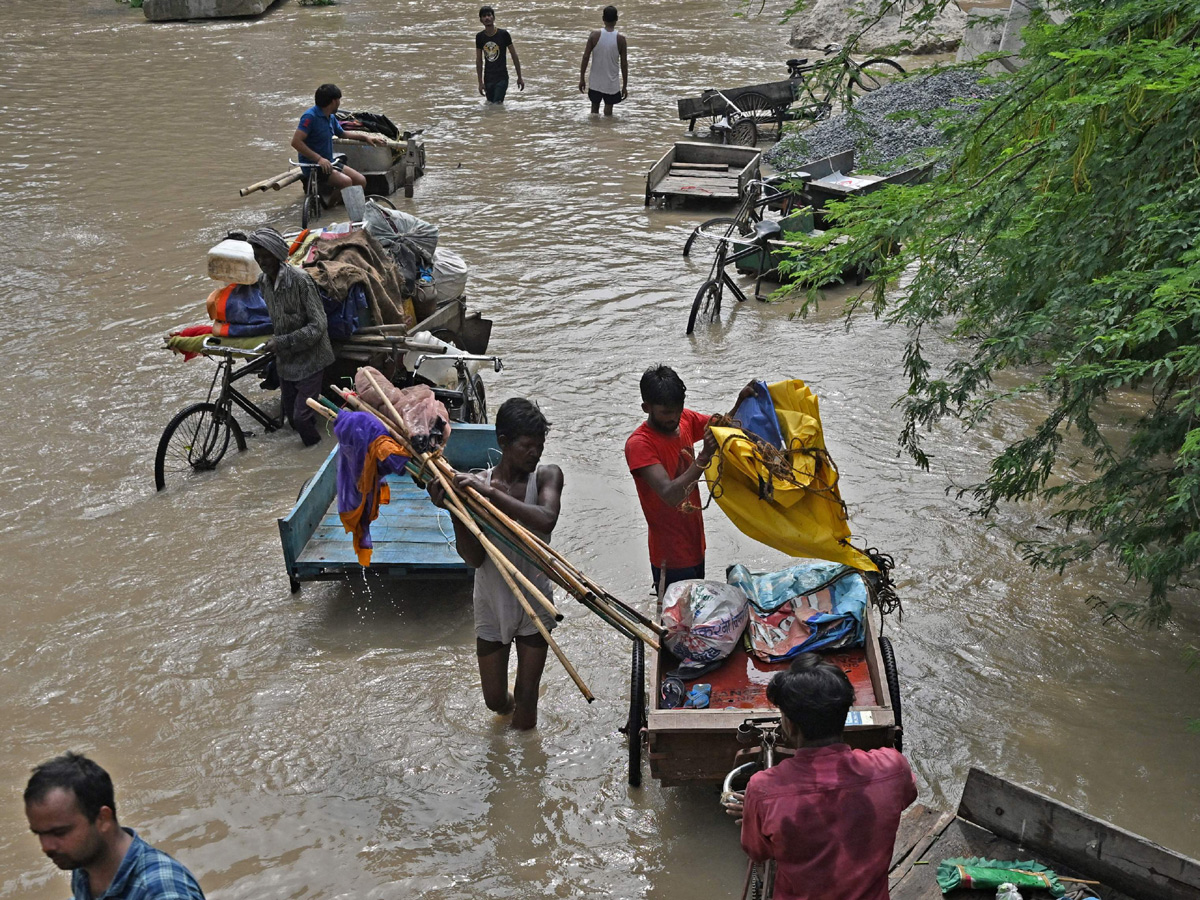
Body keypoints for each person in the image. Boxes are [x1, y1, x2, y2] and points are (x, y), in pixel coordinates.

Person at [724, 654, 917, 900]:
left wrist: (759, 813)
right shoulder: (893, 767)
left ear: (790, 725)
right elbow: (907, 796)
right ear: (844, 714)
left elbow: (757, 851)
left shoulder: (763, 789)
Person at [429, 398, 563, 730]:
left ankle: (526, 774)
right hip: (491, 599)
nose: (536, 453)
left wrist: (489, 495)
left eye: (540, 446)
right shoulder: (475, 485)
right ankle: (509, 724)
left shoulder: (546, 476)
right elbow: (474, 558)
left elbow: (545, 519)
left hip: (534, 597)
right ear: (503, 442)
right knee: (495, 701)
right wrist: (452, 508)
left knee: (527, 694)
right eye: (527, 446)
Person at [624, 365, 755, 592]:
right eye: (666, 412)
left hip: (695, 545)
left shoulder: (684, 419)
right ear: (646, 408)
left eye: (678, 409)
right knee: (676, 623)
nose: (674, 417)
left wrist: (739, 403)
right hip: (669, 556)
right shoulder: (640, 445)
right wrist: (704, 456)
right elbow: (670, 494)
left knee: (694, 616)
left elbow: (722, 429)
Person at [24, 752, 205, 900]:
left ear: (102, 818)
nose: (46, 847)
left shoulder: (162, 891)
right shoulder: (83, 865)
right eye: (39, 834)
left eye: (59, 832)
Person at [248, 227, 335, 447]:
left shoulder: (300, 281)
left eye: (266, 256)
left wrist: (283, 341)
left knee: (301, 418)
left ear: (277, 255)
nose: (262, 261)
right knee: (290, 415)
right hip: (286, 361)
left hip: (312, 357)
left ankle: (315, 453)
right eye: (258, 257)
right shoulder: (263, 282)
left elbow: (318, 325)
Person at [290, 83, 387, 193]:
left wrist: (365, 137)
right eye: (339, 100)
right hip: (313, 165)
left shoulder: (330, 117)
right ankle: (341, 204)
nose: (339, 104)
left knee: (361, 181)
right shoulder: (310, 117)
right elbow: (296, 142)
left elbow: (343, 134)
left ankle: (332, 204)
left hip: (330, 162)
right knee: (346, 183)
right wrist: (319, 159)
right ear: (334, 101)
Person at [579, 5, 628, 115]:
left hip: (595, 81)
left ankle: (595, 130)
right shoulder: (621, 39)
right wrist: (624, 86)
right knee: (608, 112)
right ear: (617, 19)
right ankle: (607, 130)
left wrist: (582, 78)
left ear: (603, 18)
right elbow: (624, 64)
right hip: (611, 82)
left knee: (594, 110)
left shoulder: (594, 36)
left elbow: (585, 57)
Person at [475, 6, 524, 103]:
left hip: (502, 77)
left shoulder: (503, 34)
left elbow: (514, 55)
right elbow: (479, 60)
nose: (487, 18)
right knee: (490, 104)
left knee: (497, 102)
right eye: (484, 16)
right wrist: (480, 82)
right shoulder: (480, 37)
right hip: (488, 78)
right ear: (481, 20)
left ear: (493, 17)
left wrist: (519, 77)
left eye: (489, 15)